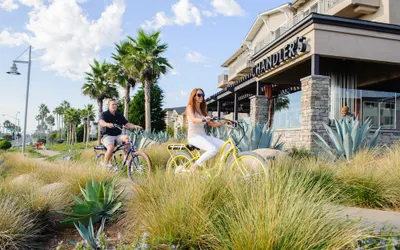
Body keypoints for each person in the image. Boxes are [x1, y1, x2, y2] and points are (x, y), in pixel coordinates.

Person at [186, 88, 230, 173]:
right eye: (199, 95)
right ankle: (194, 166)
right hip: (194, 136)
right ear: (194, 96)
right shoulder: (190, 107)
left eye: (203, 95)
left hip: (203, 136)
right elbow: (193, 119)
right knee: (213, 149)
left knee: (227, 146)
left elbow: (214, 125)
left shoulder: (203, 111)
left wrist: (226, 121)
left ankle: (220, 170)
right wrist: (204, 120)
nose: (201, 97)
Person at [98, 99, 142, 167]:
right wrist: (107, 124)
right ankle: (105, 164)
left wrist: (135, 126)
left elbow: (127, 124)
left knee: (127, 139)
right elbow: (101, 122)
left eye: (116, 104)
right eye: (113, 104)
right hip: (106, 136)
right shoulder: (104, 114)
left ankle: (126, 160)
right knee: (110, 147)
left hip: (118, 135)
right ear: (109, 106)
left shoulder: (119, 115)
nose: (115, 106)